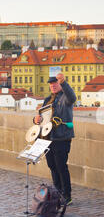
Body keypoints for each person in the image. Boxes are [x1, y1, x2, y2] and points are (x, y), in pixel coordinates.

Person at [33, 73, 76, 205]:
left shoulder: (65, 98)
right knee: (52, 166)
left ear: (59, 84)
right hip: (48, 138)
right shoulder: (47, 100)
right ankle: (57, 192)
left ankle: (67, 195)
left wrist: (63, 82)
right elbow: (41, 118)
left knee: (61, 166)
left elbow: (73, 97)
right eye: (51, 84)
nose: (52, 86)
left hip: (62, 138)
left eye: (55, 83)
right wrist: (36, 120)